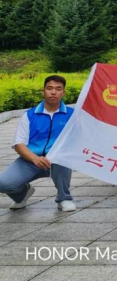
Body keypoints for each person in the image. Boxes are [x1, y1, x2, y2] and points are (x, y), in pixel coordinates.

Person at [0, 76, 76, 211]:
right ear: (43, 91)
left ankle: (64, 198)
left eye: (58, 89)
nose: (53, 92)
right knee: (3, 183)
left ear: (63, 92)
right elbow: (19, 143)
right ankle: (22, 194)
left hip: (58, 160)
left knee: (62, 159)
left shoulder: (72, 115)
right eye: (49, 88)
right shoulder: (29, 115)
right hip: (31, 159)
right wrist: (34, 158)